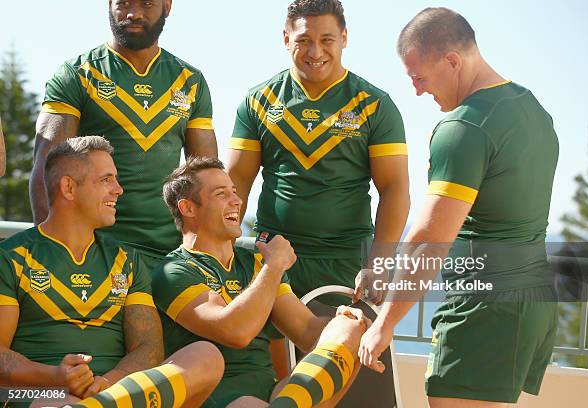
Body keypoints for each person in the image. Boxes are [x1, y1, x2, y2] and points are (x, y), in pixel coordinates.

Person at [357, 8, 559, 407]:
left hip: (485, 310)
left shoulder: (464, 128)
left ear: (452, 61)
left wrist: (384, 322)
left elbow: (429, 238)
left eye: (419, 77)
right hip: (530, 303)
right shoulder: (531, 108)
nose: (417, 91)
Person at [0, 137, 223, 407]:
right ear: (69, 187)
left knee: (205, 356)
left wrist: (107, 384)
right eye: (106, 180)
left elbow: (149, 349)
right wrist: (57, 377)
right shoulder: (10, 257)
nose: (118, 190)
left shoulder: (126, 260)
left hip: (116, 393)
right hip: (42, 393)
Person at [227, 0, 410, 302]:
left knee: (334, 348)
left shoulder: (375, 104)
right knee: (268, 349)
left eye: (327, 40)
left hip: (346, 262)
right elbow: (236, 184)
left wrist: (379, 263)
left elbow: (395, 188)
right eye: (303, 41)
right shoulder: (258, 100)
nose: (315, 52)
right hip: (272, 255)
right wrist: (219, 251)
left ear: (344, 39)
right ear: (286, 38)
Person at [152, 157, 371, 407]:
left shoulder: (254, 261)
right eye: (221, 194)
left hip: (277, 396)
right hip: (218, 398)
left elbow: (307, 330)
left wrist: (345, 323)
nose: (236, 201)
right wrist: (274, 266)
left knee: (349, 329)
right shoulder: (173, 271)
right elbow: (236, 332)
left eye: (234, 192)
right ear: (188, 208)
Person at [29, 0, 217, 273]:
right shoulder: (76, 74)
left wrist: (205, 254)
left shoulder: (191, 81)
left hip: (169, 256)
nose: (133, 13)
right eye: (124, 3)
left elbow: (207, 177)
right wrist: (53, 252)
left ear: (167, 5)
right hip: (93, 250)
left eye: (147, 4)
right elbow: (46, 170)